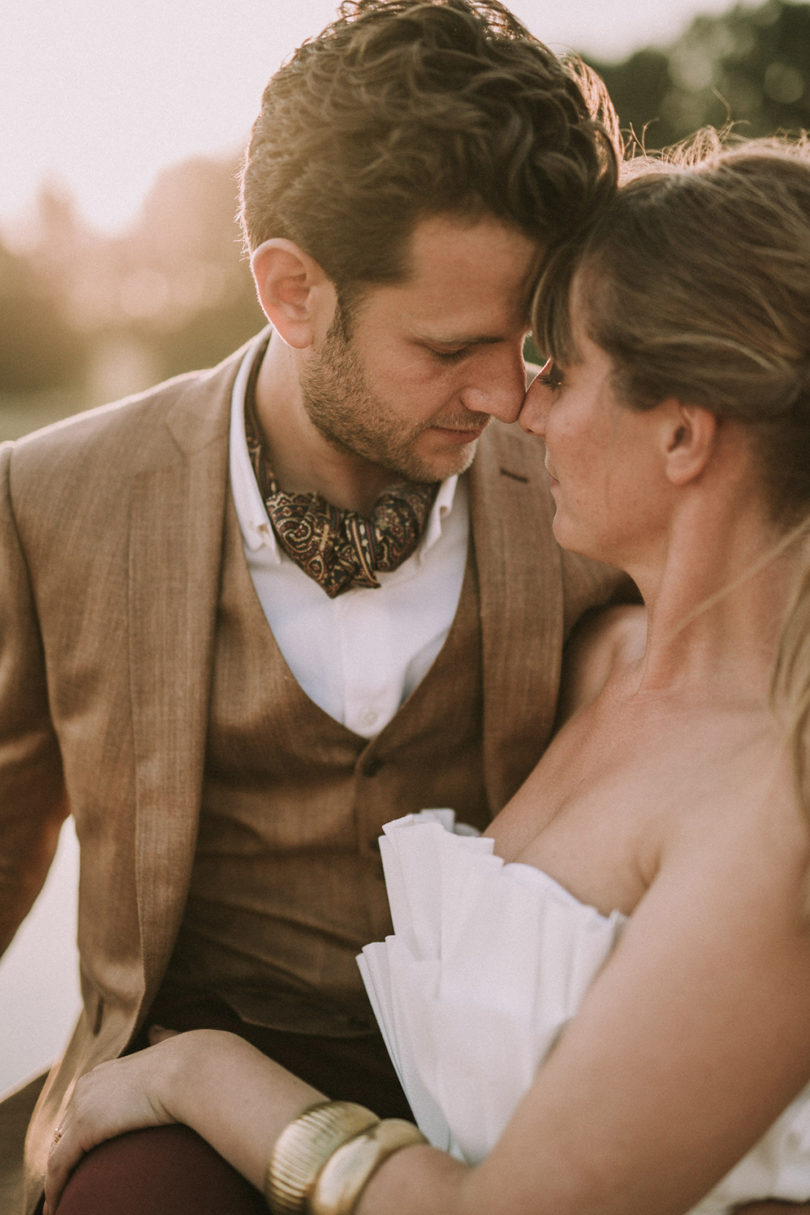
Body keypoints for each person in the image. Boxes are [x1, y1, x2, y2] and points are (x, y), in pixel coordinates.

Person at [43, 133, 810, 1215]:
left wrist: (197, 1070)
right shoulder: (610, 666)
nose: (521, 407)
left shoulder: (778, 800)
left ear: (683, 432)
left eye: (563, 368)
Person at [0, 2, 630, 1211]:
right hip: (172, 1100)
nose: (510, 395)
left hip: (513, 1079)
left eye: (532, 338)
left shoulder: (590, 496)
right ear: (292, 292)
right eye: (452, 346)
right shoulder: (51, 498)